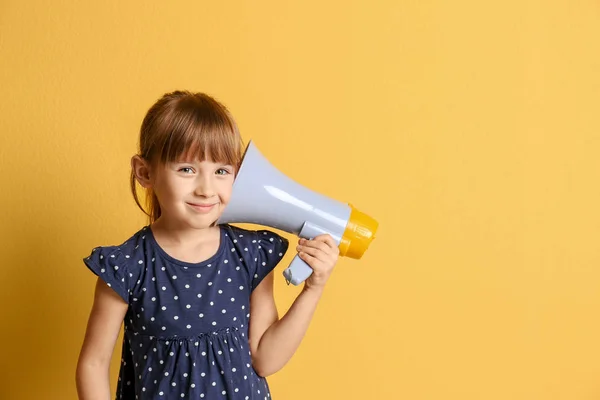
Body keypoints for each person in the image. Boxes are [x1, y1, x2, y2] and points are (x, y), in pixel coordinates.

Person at [75, 90, 340, 399]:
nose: (206, 189)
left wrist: (314, 288)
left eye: (221, 171)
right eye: (187, 169)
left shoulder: (249, 255)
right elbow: (93, 363)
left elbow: (265, 360)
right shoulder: (127, 267)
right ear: (145, 172)